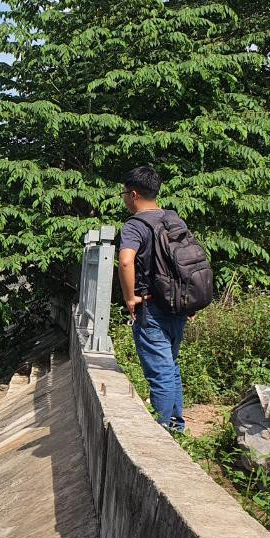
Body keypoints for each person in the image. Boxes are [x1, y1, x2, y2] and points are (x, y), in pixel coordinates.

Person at [117, 165, 187, 432]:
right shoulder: (173, 219)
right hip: (178, 304)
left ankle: (162, 430)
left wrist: (130, 298)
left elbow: (125, 262)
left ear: (133, 194)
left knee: (160, 373)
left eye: (124, 193)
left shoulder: (135, 225)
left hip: (152, 307)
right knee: (171, 365)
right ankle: (176, 425)